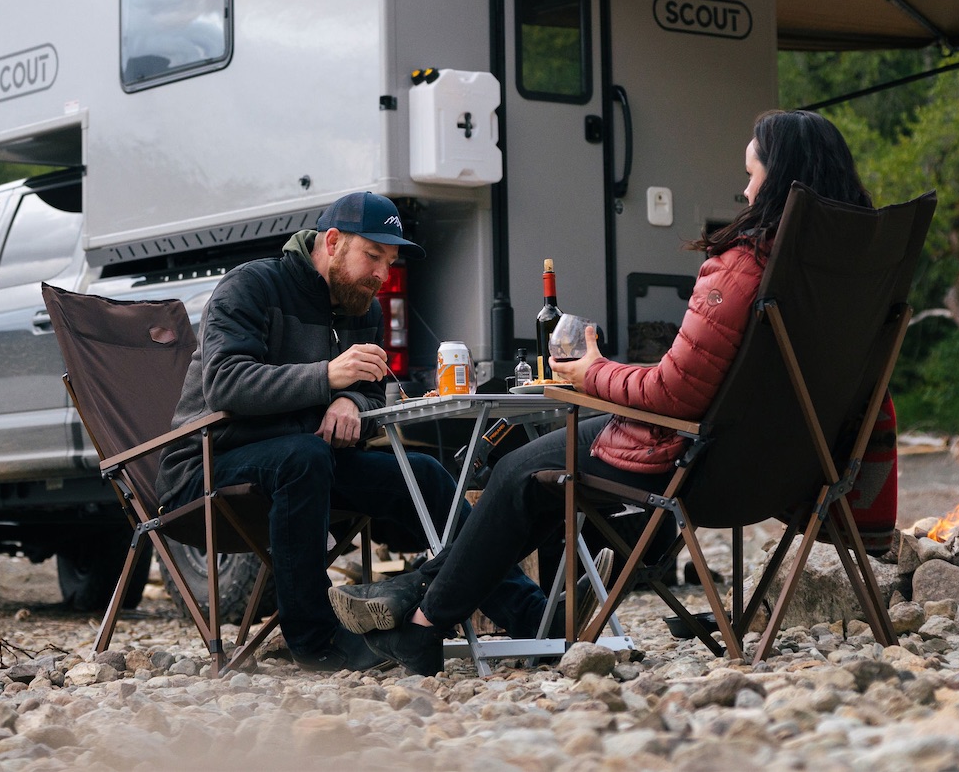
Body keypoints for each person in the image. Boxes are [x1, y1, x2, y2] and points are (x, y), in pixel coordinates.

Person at [330, 110, 877, 673]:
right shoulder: (855, 280)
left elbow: (673, 392)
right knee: (536, 477)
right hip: (797, 467)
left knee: (519, 470)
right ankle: (429, 592)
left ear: (783, 176)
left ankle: (422, 624)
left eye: (752, 174)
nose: (744, 189)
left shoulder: (745, 265)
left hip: (700, 461)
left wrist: (591, 370)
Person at [157, 190, 539, 670]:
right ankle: (317, 642)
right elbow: (226, 384)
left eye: (391, 260)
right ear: (332, 242)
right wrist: (329, 376)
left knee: (424, 473)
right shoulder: (251, 287)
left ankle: (533, 615)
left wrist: (349, 398)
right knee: (302, 458)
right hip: (207, 463)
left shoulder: (365, 309)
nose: (382, 273)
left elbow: (373, 391)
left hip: (304, 463)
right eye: (373, 255)